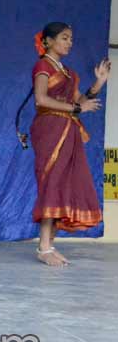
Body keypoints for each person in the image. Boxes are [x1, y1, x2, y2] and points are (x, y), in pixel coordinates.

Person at [28, 22, 109, 266]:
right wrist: (76, 108)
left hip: (67, 129)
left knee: (63, 184)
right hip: (49, 129)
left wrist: (97, 84)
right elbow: (41, 100)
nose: (69, 42)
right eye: (64, 38)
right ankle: (43, 248)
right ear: (48, 41)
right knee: (51, 182)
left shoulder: (70, 74)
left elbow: (80, 102)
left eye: (71, 39)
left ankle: (50, 245)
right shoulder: (42, 66)